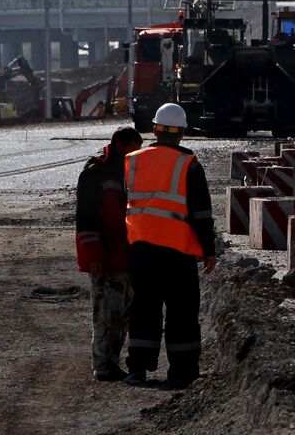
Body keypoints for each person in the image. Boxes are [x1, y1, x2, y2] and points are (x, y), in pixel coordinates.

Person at [123, 103, 217, 389]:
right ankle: (183, 371)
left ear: (154, 130)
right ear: (182, 134)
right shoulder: (189, 164)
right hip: (178, 251)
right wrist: (209, 250)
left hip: (140, 248)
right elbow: (201, 213)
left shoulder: (133, 160)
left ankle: (137, 369)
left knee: (143, 308)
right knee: (182, 312)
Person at [75, 126, 144, 381]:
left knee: (122, 314)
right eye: (134, 149)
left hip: (123, 256)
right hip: (104, 258)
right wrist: (94, 256)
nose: (138, 154)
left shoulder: (126, 172)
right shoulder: (96, 173)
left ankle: (111, 362)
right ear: (120, 146)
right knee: (105, 314)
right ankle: (103, 365)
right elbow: (85, 219)